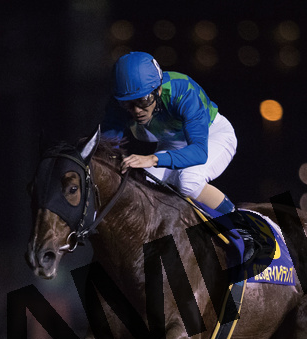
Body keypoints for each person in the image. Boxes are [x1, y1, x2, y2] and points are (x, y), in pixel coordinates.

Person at [101, 51, 256, 260]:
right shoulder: (119, 104)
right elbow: (107, 148)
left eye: (143, 100)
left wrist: (153, 158)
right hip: (172, 143)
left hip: (212, 136)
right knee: (141, 181)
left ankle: (246, 231)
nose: (136, 110)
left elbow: (199, 152)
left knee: (189, 180)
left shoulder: (183, 91)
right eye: (128, 103)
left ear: (158, 90)